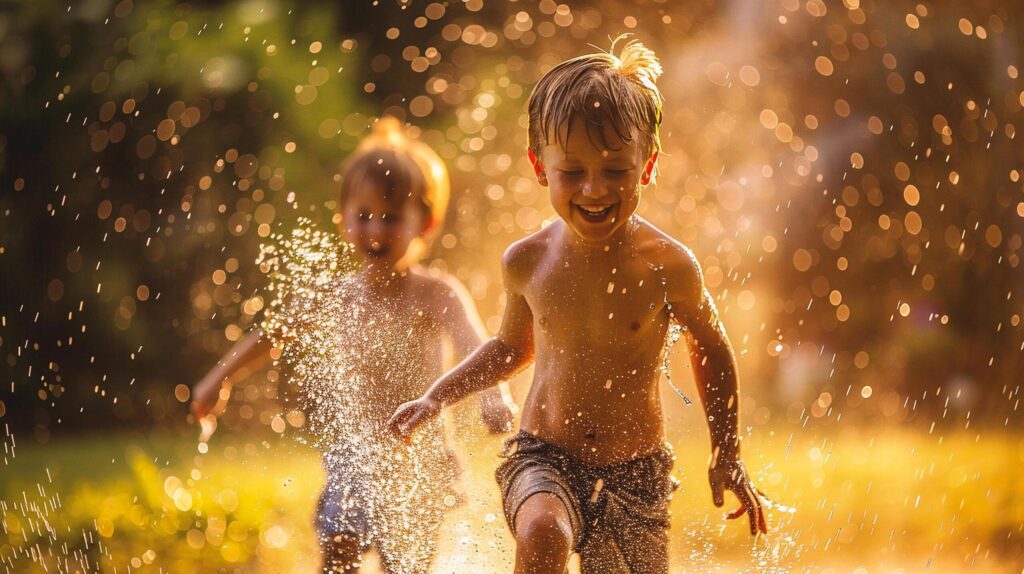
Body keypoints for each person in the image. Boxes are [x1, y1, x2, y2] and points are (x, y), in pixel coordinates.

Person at [389, 37, 768, 573]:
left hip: (637, 472)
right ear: (540, 166)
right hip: (543, 457)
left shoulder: (669, 266)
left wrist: (725, 448)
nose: (595, 189)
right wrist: (437, 397)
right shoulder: (529, 261)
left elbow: (711, 346)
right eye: (573, 171)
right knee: (544, 531)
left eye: (616, 170)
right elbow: (508, 348)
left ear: (649, 164)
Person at [190, 117, 513, 573]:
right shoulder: (338, 295)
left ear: (427, 222)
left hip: (420, 461)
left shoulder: (436, 293)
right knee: (337, 545)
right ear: (342, 221)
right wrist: (217, 379)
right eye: (363, 216)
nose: (376, 230)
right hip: (355, 457)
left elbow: (475, 343)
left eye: (392, 216)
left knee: (408, 566)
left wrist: (493, 396)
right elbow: (271, 335)